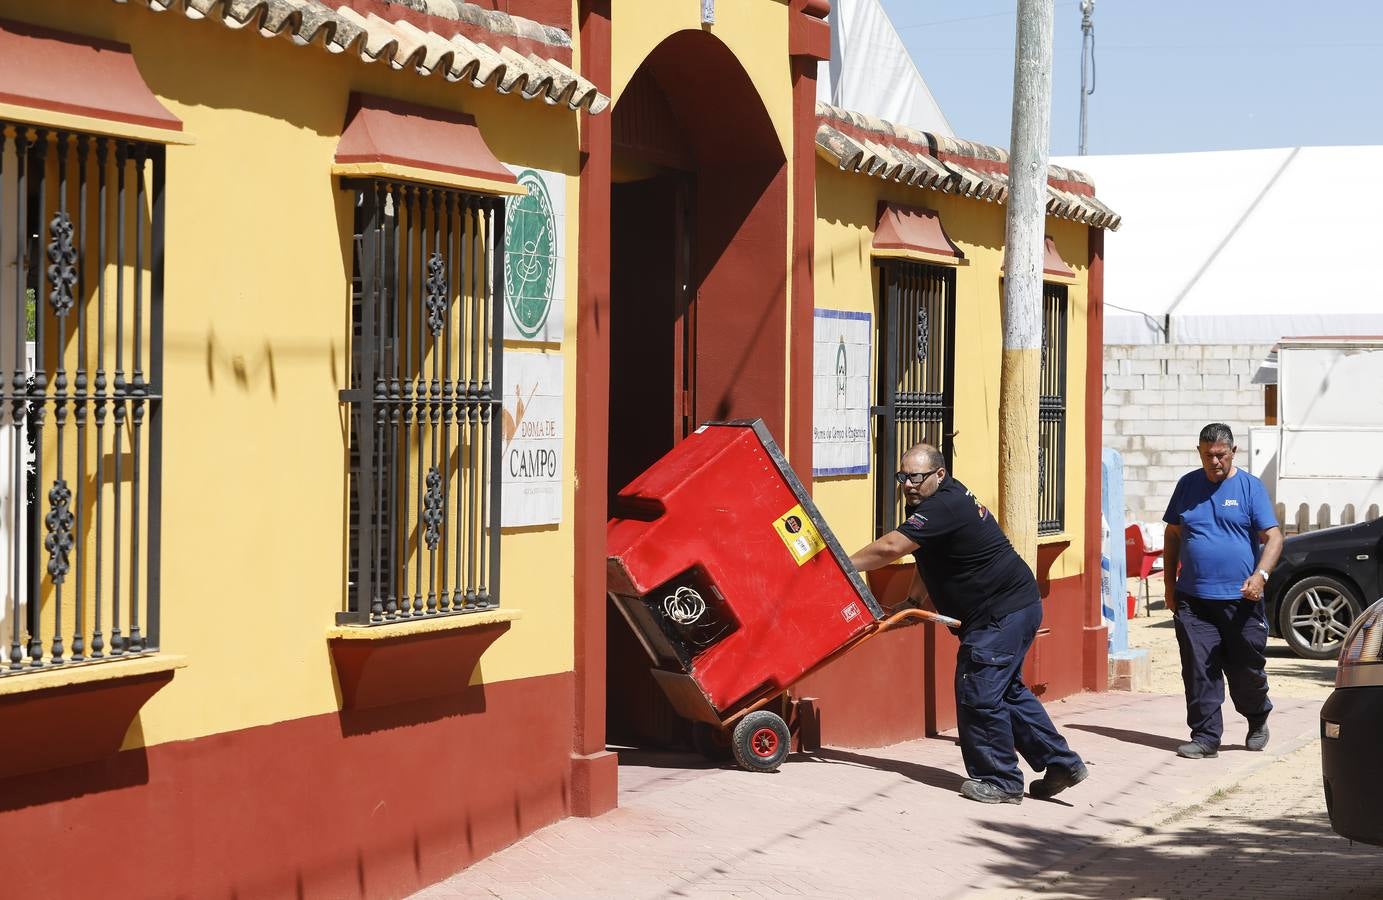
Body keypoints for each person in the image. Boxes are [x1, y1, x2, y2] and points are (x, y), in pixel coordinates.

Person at [849, 443, 1086, 804]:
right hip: (1010, 608)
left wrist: (840, 565)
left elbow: (891, 548)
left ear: (939, 474)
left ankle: (1000, 780)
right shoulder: (939, 501)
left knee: (977, 691)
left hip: (1000, 613)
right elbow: (928, 555)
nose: (907, 484)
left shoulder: (944, 505)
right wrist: (913, 601)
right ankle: (1061, 763)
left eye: (916, 477)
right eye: (902, 477)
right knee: (1006, 693)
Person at [1163, 422, 1283, 759]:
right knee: (1199, 669)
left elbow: (1274, 537)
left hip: (1241, 601)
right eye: (1208, 456)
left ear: (1233, 452)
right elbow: (1173, 536)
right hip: (1194, 599)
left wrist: (1260, 575)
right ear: (1198, 453)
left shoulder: (1250, 488)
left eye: (1221, 455)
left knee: (1246, 671)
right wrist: (1169, 587)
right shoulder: (1187, 486)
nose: (1215, 462)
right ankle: (1205, 737)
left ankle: (1257, 715)